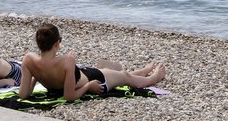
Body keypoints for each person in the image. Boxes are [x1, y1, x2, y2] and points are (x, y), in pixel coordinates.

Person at [19, 23, 166, 101]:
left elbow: (23, 95)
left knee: (119, 74)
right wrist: (88, 86)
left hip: (83, 74)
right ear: (57, 43)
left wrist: (37, 75)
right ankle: (153, 78)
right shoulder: (66, 61)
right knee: (125, 77)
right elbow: (69, 96)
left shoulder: (29, 59)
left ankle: (141, 72)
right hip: (93, 79)